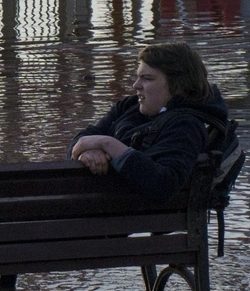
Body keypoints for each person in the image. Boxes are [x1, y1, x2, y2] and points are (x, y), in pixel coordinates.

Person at [70, 41, 229, 201]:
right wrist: (88, 152)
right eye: (138, 77)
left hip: (120, 215)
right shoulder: (129, 106)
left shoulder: (185, 126)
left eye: (147, 78)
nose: (136, 85)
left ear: (178, 84)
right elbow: (84, 139)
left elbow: (164, 184)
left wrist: (109, 144)